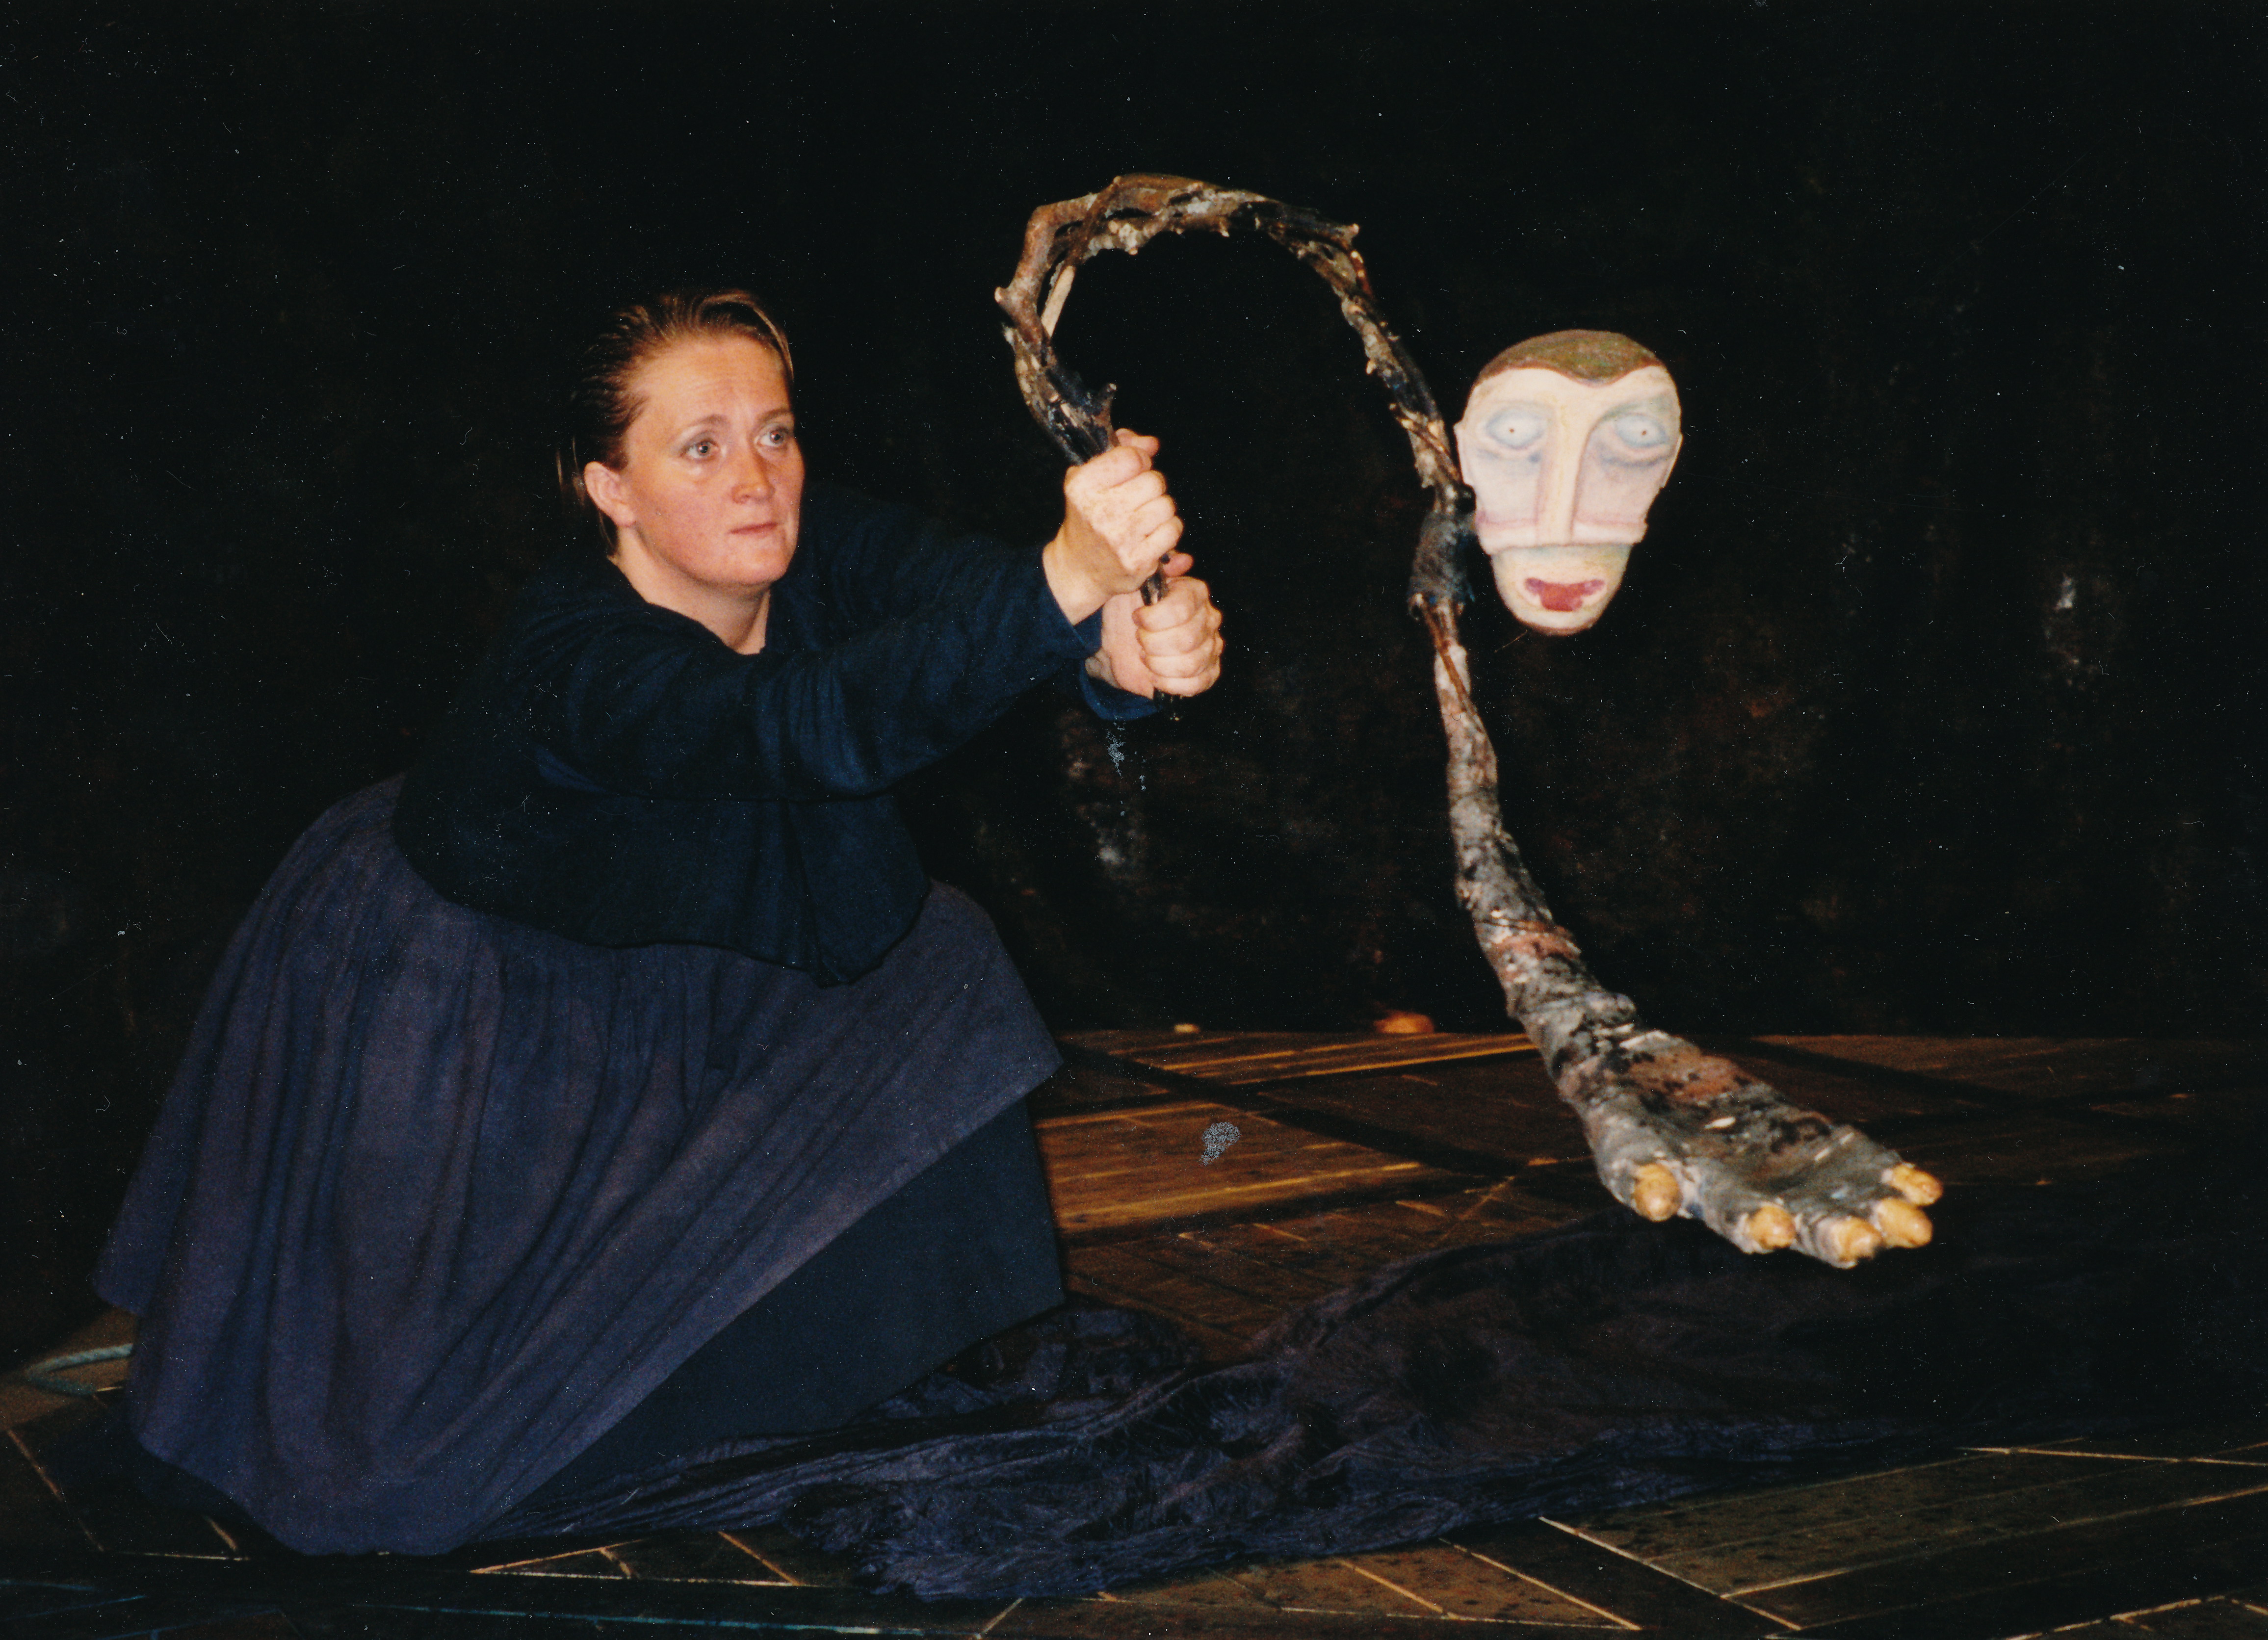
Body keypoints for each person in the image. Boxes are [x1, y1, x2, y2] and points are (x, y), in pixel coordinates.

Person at [87, 287, 1225, 1556]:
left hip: (677, 940)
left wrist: (1114, 657)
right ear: (610, 490)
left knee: (936, 959)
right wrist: (1071, 582)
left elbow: (983, 598)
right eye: (700, 447)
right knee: (404, 1470)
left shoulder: (803, 535)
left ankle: (790, 1355)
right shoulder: (579, 652)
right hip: (474, 991)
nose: (757, 478)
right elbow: (799, 728)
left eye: (776, 433)